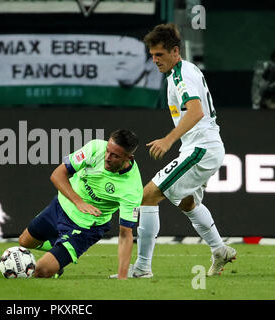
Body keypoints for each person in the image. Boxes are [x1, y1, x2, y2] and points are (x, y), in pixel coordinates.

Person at [122, 24, 236, 278]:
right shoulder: (185, 71)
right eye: (152, 55)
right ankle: (220, 250)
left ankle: (141, 268)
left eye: (159, 55)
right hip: (202, 146)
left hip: (201, 148)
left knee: (148, 195)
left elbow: (195, 111)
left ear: (175, 51)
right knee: (188, 202)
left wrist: (168, 139)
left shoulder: (181, 76)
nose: (155, 60)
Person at [19, 129, 143, 279]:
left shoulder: (132, 188)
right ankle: (58, 251)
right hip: (60, 206)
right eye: (107, 151)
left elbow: (125, 234)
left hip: (85, 227)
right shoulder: (95, 148)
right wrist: (78, 202)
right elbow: (57, 174)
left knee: (41, 270)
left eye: (115, 155)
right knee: (24, 241)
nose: (107, 157)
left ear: (128, 157)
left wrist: (122, 277)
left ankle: (58, 258)